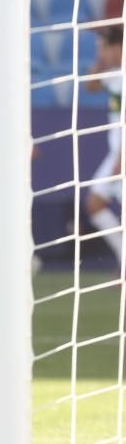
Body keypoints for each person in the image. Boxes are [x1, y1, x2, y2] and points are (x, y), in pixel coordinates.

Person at [83, 25, 124, 265]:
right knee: (95, 204)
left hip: (122, 155)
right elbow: (90, 86)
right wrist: (100, 63)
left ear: (119, 46)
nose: (101, 53)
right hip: (115, 154)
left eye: (103, 48)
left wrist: (121, 158)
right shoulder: (114, 75)